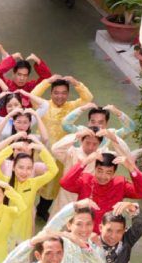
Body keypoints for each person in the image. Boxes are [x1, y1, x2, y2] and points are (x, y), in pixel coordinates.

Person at [29, 75, 95, 220]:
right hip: (40, 151)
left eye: (64, 93)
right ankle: (28, 209)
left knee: (53, 184)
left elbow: (88, 98)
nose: (60, 96)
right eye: (56, 93)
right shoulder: (43, 105)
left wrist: (76, 82)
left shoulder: (71, 107)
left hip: (61, 154)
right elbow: (33, 95)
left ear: (68, 94)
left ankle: (42, 210)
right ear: (51, 93)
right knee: (32, 180)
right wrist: (47, 81)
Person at [58, 151, 142, 231]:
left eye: (108, 172)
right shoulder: (85, 181)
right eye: (100, 171)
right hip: (82, 231)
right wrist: (85, 162)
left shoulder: (120, 185)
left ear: (114, 173)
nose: (102, 176)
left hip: (107, 236)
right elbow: (65, 183)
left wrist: (131, 168)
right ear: (95, 169)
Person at [0, 140, 59, 243]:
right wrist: (11, 147)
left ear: (32, 170)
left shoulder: (34, 183)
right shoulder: (5, 181)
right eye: (21, 167)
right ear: (13, 168)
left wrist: (41, 149)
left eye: (29, 168)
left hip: (24, 229)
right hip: (6, 228)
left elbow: (54, 170)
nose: (24, 172)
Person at [62, 103, 136, 140]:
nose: (95, 125)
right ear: (88, 122)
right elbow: (65, 124)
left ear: (106, 124)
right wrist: (82, 108)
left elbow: (131, 128)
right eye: (93, 122)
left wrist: (117, 112)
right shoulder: (80, 132)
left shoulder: (111, 135)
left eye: (100, 122)